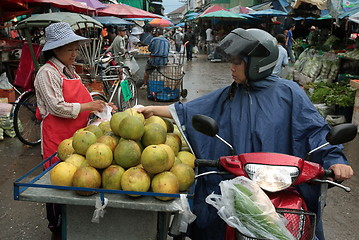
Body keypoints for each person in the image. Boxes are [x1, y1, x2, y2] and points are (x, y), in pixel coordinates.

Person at [137, 28, 354, 240]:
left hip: (281, 185)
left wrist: (335, 160)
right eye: (231, 61)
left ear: (257, 63)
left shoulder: (290, 93)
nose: (231, 67)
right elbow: (191, 111)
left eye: (237, 62)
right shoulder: (230, 94)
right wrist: (150, 110)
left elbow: (316, 131)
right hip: (239, 186)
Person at [34, 22, 109, 238]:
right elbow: (57, 107)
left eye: (76, 48)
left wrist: (99, 108)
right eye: (70, 49)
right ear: (55, 50)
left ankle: (74, 223)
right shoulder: (47, 73)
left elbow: (83, 97)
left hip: (78, 137)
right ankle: (55, 225)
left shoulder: (69, 70)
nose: (75, 53)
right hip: (56, 137)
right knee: (57, 182)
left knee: (78, 178)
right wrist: (87, 107)